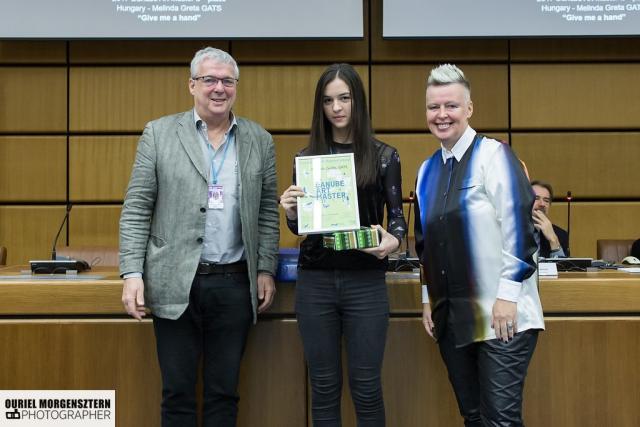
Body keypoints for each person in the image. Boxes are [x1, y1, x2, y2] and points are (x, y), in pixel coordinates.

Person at [119, 47, 279, 427]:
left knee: (224, 393)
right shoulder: (159, 133)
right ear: (192, 85)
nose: (218, 88)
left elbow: (268, 212)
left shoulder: (259, 139)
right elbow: (137, 207)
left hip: (234, 283)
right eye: (209, 80)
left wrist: (266, 268)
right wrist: (131, 273)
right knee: (177, 394)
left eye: (227, 81)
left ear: (236, 87)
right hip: (174, 283)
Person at [414, 64, 544, 426]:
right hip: (453, 316)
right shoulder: (425, 171)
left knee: (500, 420)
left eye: (451, 106)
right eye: (433, 107)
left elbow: (519, 230)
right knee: (473, 417)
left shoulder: (495, 156)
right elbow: (426, 246)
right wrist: (429, 299)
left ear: (469, 109)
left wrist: (507, 295)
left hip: (504, 316)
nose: (441, 115)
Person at [279, 63, 406, 426]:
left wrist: (393, 241)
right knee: (323, 388)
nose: (337, 107)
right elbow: (302, 227)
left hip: (365, 283)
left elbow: (397, 217)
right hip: (315, 282)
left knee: (367, 389)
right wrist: (290, 211)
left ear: (358, 102)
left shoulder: (384, 156)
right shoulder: (306, 159)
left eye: (345, 98)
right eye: (328, 100)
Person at [531, 180, 570, 258]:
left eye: (546, 200)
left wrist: (553, 240)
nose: (542, 204)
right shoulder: (510, 232)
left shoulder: (560, 234)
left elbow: (563, 269)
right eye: (536, 198)